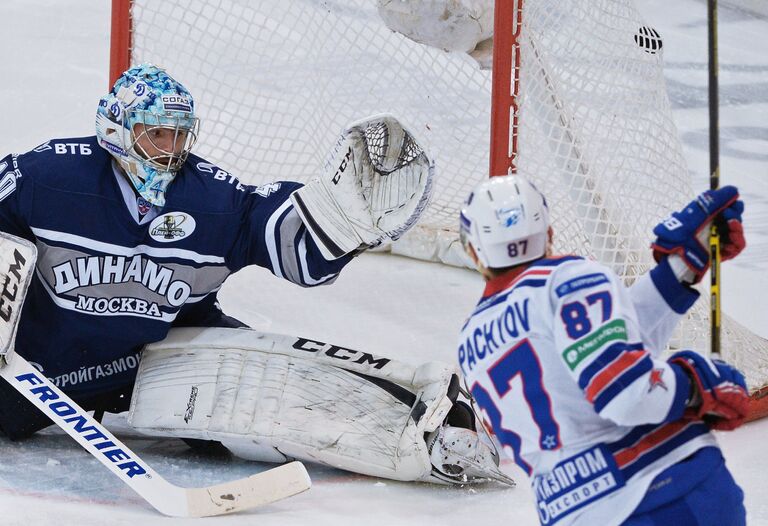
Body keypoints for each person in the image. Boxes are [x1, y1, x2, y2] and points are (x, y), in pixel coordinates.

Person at [0, 63, 512, 487]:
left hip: (159, 357)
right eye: (157, 133)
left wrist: (339, 222)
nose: (171, 148)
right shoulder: (49, 177)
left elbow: (278, 235)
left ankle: (428, 424)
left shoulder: (209, 199)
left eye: (180, 134)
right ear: (117, 128)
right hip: (37, 366)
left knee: (275, 387)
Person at [457, 174, 749, 525]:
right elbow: (627, 391)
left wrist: (680, 269)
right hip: (665, 493)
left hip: (570, 512)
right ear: (548, 233)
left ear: (473, 250)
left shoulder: (470, 340)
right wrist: (693, 384)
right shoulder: (568, 278)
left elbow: (607, 350)